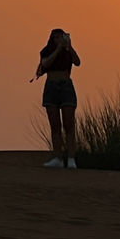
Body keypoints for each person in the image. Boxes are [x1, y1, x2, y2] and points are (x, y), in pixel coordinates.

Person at [35, 28, 81, 169]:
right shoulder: (46, 51)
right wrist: (57, 49)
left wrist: (69, 47)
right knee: (55, 125)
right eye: (56, 38)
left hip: (66, 86)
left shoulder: (68, 51)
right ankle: (58, 158)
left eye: (60, 37)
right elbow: (45, 64)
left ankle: (71, 159)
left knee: (69, 125)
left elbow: (77, 62)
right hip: (51, 86)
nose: (58, 40)